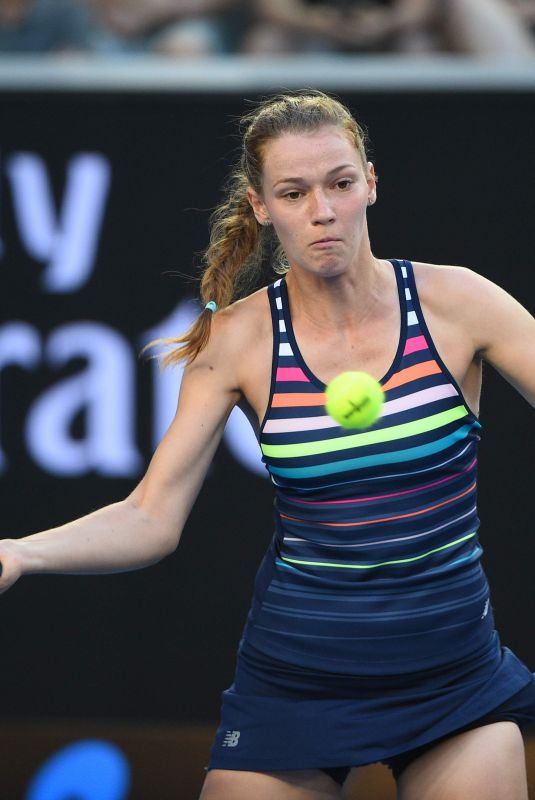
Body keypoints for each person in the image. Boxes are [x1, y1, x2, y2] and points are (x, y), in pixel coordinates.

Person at [1, 90, 534, 799]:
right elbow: (149, 518)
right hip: (295, 686)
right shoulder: (238, 341)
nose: (322, 210)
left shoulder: (460, 303)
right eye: (294, 191)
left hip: (455, 681)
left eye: (340, 184)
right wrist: (20, 552)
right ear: (260, 205)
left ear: (369, 182)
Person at [243, 0, 535, 57]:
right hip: (312, 36)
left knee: (419, 48)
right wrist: (316, 22)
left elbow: (423, 6)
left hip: (393, 37)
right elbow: (271, 7)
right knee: (267, 42)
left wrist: (386, 23)